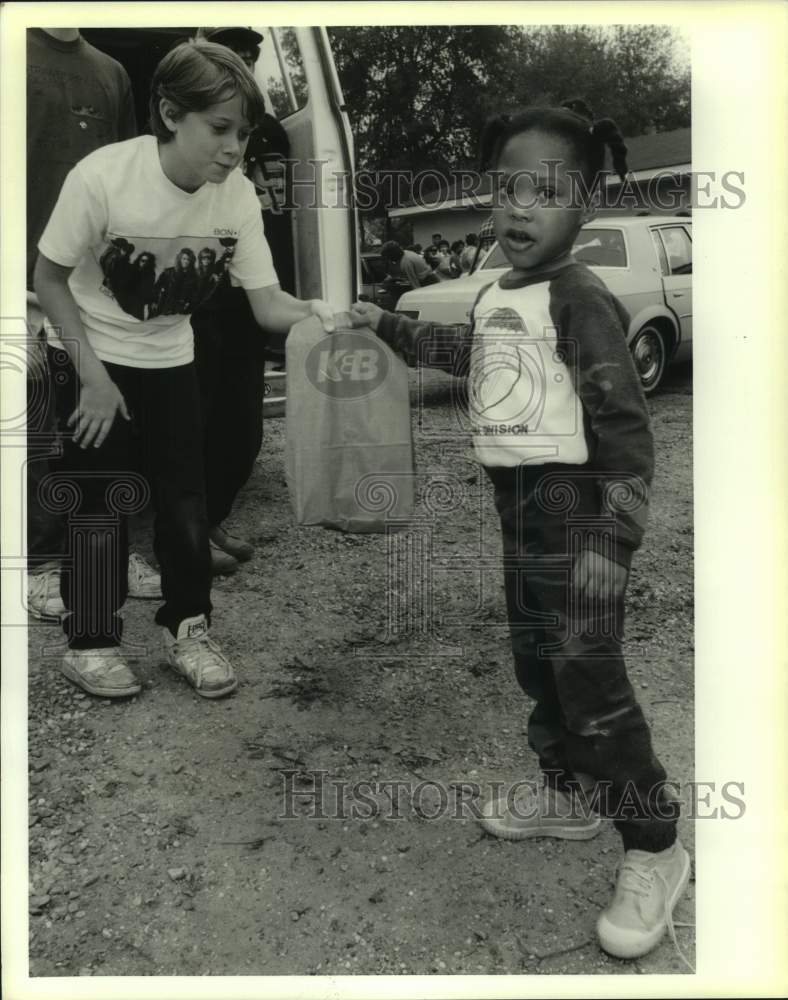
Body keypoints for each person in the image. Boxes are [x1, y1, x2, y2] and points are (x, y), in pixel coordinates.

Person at [350, 101, 689, 964]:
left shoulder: (582, 298)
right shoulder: (503, 291)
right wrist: (381, 323)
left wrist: (614, 543)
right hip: (521, 519)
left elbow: (626, 432)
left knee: (592, 683)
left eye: (546, 191)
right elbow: (468, 355)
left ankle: (656, 846)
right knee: (538, 663)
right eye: (505, 188)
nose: (518, 208)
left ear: (586, 202)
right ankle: (570, 795)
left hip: (582, 529)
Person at [33, 38, 336, 700]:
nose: (234, 148)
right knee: (99, 502)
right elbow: (49, 280)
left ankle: (188, 629)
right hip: (91, 355)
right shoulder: (102, 177)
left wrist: (330, 315)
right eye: (220, 129)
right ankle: (91, 644)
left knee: (184, 501)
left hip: (171, 358)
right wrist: (93, 380)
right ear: (171, 114)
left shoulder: (236, 199)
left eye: (244, 133)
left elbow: (268, 305)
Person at [26, 27, 161, 622]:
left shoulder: (111, 71)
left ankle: (113, 547)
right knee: (37, 414)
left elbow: (133, 172)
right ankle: (43, 560)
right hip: (25, 265)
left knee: (104, 409)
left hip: (91, 275)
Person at [190, 26, 296, 574]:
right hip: (192, 298)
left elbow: (281, 204)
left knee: (242, 427)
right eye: (237, 55)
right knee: (191, 420)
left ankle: (209, 518)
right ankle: (182, 536)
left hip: (248, 291)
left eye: (252, 57)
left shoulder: (270, 131)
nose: (235, 143)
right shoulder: (187, 134)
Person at [377, 240, 439, 310]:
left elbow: (415, 285)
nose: (389, 260)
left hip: (428, 282)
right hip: (428, 280)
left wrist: (418, 304)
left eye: (389, 257)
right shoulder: (406, 253)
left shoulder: (406, 263)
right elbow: (396, 270)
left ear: (393, 255)